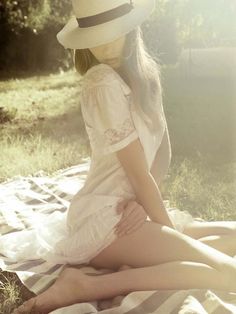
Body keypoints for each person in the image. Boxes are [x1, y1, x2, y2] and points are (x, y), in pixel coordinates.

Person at [13, 0, 236, 313]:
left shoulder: (147, 75)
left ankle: (136, 267)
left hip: (136, 205)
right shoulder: (100, 82)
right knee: (227, 272)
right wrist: (163, 226)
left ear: (130, 28)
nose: (104, 46)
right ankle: (86, 284)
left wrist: (145, 207)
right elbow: (137, 174)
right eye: (96, 37)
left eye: (112, 32)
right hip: (107, 218)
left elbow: (163, 150)